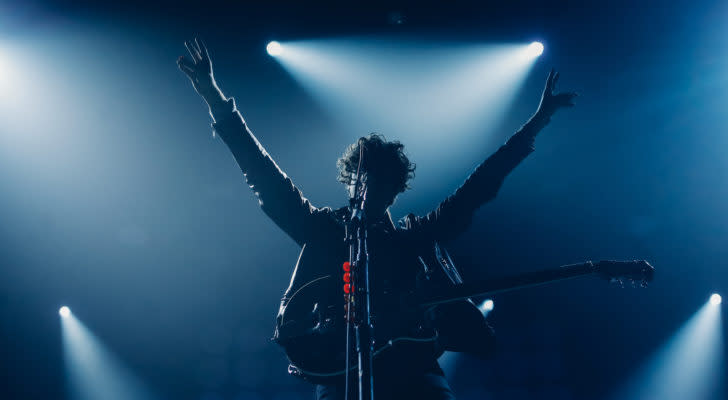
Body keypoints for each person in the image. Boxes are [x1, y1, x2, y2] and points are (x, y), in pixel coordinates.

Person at [178, 38, 576, 400]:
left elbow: (480, 185)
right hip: (342, 375)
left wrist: (537, 122)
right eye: (363, 178)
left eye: (382, 180)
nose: (370, 186)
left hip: (417, 377)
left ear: (396, 188)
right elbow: (265, 177)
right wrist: (214, 98)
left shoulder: (416, 237)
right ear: (351, 182)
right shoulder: (327, 231)